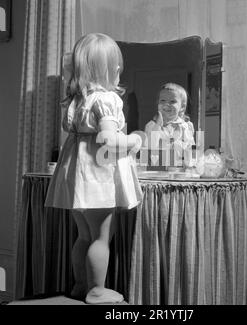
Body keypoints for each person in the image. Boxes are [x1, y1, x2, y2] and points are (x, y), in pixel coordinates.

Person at [44, 33, 143, 304]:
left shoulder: (76, 100)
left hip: (77, 176)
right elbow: (108, 140)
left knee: (84, 235)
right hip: (98, 177)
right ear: (110, 69)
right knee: (101, 236)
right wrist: (134, 140)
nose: (119, 70)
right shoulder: (105, 99)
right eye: (116, 66)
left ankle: (80, 285)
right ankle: (97, 290)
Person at [144, 83, 195, 167]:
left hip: (178, 170)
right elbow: (150, 147)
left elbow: (190, 149)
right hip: (156, 170)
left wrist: (190, 167)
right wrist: (158, 125)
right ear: (158, 104)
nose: (166, 104)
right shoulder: (151, 126)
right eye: (162, 101)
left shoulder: (185, 126)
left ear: (182, 107)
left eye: (172, 101)